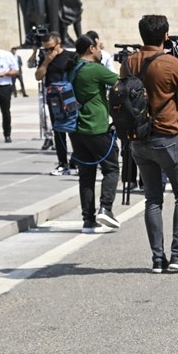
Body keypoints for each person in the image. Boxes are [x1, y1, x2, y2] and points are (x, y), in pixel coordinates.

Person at [123, 14, 178, 273]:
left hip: (138, 139)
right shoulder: (170, 63)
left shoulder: (129, 62)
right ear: (165, 36)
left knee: (152, 199)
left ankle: (158, 259)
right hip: (167, 135)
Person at [65, 34, 121, 234]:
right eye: (98, 47)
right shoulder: (95, 70)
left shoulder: (71, 68)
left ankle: (88, 220)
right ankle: (106, 208)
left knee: (86, 175)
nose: (100, 50)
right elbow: (121, 83)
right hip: (96, 127)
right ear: (90, 48)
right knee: (112, 169)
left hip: (76, 128)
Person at [35, 32, 76, 174]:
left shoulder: (71, 56)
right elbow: (38, 76)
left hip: (69, 98)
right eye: (45, 48)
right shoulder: (45, 58)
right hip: (54, 101)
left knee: (74, 129)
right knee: (58, 130)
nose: (48, 51)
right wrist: (46, 61)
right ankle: (62, 162)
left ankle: (76, 161)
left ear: (59, 44)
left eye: (51, 48)